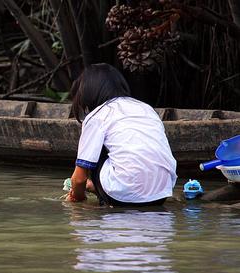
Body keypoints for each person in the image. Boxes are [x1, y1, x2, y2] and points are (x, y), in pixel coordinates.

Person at [66, 63, 177, 206]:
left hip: (123, 196)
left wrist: (76, 198)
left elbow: (79, 179)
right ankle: (103, 188)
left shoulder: (97, 116)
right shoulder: (146, 108)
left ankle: (108, 194)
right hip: (161, 194)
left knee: (93, 154)